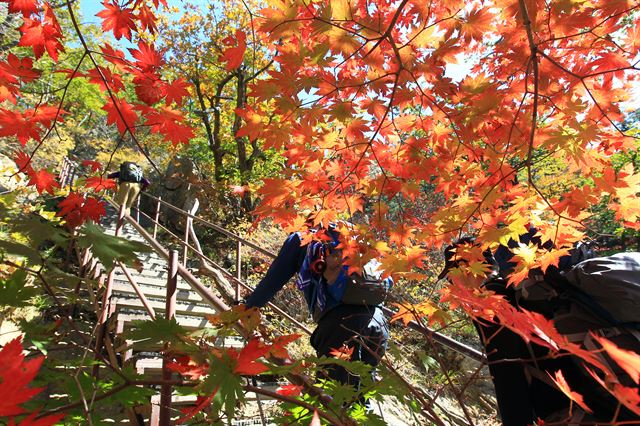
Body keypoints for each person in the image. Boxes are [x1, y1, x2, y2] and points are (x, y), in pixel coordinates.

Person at [243, 223, 390, 402]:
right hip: (377, 323)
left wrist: (248, 307)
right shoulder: (354, 235)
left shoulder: (302, 238)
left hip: (340, 327)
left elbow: (273, 280)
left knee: (334, 402)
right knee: (361, 400)